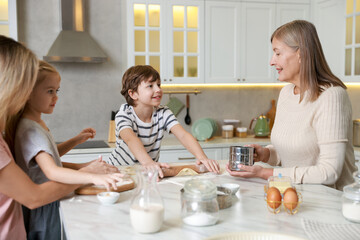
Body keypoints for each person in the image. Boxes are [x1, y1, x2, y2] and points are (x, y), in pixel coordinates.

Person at [226, 20, 357, 191]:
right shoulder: (286, 94)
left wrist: (265, 173)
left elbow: (329, 172)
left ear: (301, 54)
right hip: (297, 196)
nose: (272, 62)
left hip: (333, 204)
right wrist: (265, 154)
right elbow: (290, 154)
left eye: (278, 53)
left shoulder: (331, 96)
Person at [10, 60, 123, 240]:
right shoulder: (30, 129)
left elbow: (49, 156)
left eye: (57, 91)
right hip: (45, 208)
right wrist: (92, 176)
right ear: (28, 94)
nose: (56, 97)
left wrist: (75, 141)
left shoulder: (34, 123)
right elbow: (52, 171)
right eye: (49, 91)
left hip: (49, 202)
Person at [107, 65, 220, 177]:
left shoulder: (163, 112)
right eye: (150, 86)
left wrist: (202, 158)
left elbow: (183, 135)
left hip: (146, 171)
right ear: (133, 94)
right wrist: (148, 162)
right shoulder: (124, 114)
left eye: (158, 85)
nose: (158, 90)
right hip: (119, 171)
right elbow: (131, 139)